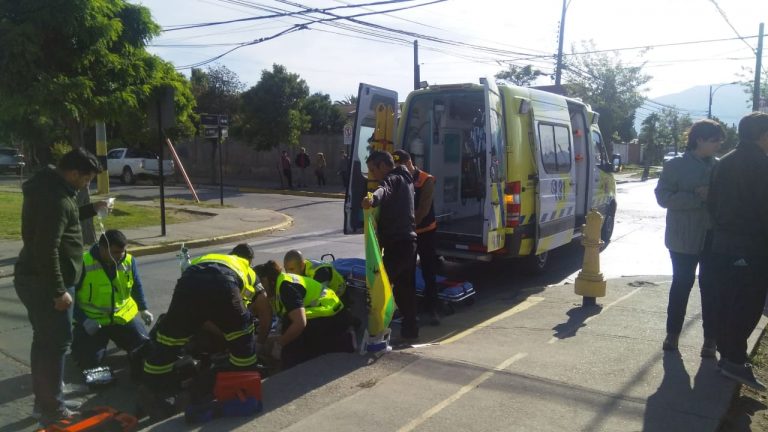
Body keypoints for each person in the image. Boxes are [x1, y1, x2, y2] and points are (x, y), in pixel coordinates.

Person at [14, 148, 105, 425]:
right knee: (56, 343)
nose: (86, 184)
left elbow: (61, 221)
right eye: (87, 179)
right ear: (74, 173)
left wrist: (91, 210)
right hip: (47, 283)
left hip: (36, 278)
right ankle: (52, 408)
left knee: (44, 341)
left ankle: (46, 401)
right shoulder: (56, 198)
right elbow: (47, 248)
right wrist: (58, 290)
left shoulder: (52, 189)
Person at [143, 244, 271, 392]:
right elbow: (265, 310)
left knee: (168, 340)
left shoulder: (210, 258)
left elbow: (202, 317)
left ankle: (152, 389)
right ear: (249, 261)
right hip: (223, 282)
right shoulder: (246, 269)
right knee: (243, 335)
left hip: (188, 282)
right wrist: (259, 343)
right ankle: (243, 383)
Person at [708, 112, 768, 390]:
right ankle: (733, 361)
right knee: (747, 304)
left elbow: (712, 203)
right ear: (762, 135)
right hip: (750, 245)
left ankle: (729, 358)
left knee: (729, 301)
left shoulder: (726, 161)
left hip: (723, 243)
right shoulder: (759, 164)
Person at [654, 120, 723, 357]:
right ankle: (672, 334)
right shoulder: (675, 165)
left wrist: (713, 197)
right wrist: (696, 197)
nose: (718, 144)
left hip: (713, 237)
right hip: (682, 238)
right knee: (681, 284)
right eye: (714, 140)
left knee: (712, 288)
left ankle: (710, 341)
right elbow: (663, 197)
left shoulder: (720, 167)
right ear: (699, 140)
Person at [71, 230, 152, 372]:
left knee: (145, 349)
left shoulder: (128, 260)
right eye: (115, 252)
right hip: (93, 323)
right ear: (102, 248)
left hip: (121, 319)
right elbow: (70, 297)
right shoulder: (83, 263)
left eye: (122, 251)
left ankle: (123, 341)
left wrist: (143, 308)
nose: (120, 256)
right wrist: (83, 320)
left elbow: (136, 286)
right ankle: (79, 346)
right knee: (89, 363)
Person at [361, 150, 418, 341]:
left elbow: (383, 190)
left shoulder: (392, 178)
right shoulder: (407, 179)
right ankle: (410, 332)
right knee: (405, 291)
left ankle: (376, 330)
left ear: (383, 166)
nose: (372, 175)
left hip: (398, 244)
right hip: (409, 243)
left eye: (372, 169)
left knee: (380, 286)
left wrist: (372, 199)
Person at [255, 260, 353, 369]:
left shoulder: (285, 287)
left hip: (333, 315)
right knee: (289, 329)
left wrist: (280, 344)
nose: (257, 291)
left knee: (291, 340)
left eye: (257, 286)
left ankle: (345, 340)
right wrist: (259, 345)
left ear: (265, 280)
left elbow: (299, 323)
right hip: (324, 314)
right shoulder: (275, 287)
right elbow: (266, 321)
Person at [393, 150, 440, 326]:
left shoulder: (425, 180)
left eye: (402, 166)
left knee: (429, 271)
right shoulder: (398, 179)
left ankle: (433, 308)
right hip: (408, 233)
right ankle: (409, 310)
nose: (400, 170)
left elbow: (423, 209)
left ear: (410, 162)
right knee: (407, 273)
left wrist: (407, 226)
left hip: (425, 231)